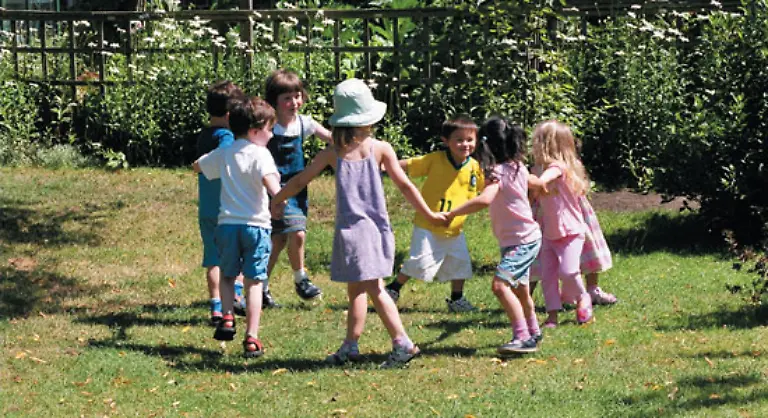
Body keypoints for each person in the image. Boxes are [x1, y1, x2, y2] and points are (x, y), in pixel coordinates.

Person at [270, 78, 443, 367]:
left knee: (374, 287)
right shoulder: (382, 148)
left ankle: (403, 343)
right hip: (376, 230)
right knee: (357, 290)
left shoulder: (332, 153)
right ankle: (350, 345)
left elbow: (300, 180)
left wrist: (277, 199)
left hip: (353, 232)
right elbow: (406, 186)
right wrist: (428, 212)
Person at [445, 116, 544, 354]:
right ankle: (534, 331)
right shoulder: (517, 167)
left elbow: (485, 200)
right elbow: (533, 182)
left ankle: (522, 337)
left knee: (500, 286)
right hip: (520, 239)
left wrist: (452, 213)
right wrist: (542, 185)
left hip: (522, 241)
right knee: (520, 290)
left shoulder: (497, 173)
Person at [193, 96, 282, 358]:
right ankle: (252, 337)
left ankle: (228, 316)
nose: (271, 135)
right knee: (254, 282)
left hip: (227, 226)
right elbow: (273, 186)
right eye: (269, 129)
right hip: (256, 227)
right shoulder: (262, 154)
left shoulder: (226, 152)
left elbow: (198, 166)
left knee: (227, 276)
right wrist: (280, 201)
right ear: (255, 131)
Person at [383, 115, 484, 312]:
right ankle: (393, 289)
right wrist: (384, 164)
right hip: (428, 224)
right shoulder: (436, 159)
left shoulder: (475, 167)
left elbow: (485, 188)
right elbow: (410, 164)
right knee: (420, 262)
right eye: (459, 140)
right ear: (446, 141)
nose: (465, 144)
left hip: (454, 228)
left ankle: (456, 299)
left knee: (460, 264)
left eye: (470, 139)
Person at [262, 69, 333, 308]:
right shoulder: (268, 128)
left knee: (279, 239)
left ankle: (261, 286)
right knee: (294, 234)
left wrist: (355, 143)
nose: (294, 102)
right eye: (287, 98)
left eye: (297, 96)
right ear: (274, 101)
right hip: (274, 190)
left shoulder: (304, 123)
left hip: (297, 191)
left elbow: (332, 139)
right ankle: (301, 279)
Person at [530, 120, 593, 328]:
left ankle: (583, 296)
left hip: (571, 232)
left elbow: (542, 181)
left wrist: (520, 176)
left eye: (538, 141)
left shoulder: (558, 168)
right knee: (547, 277)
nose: (534, 146)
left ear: (549, 145)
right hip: (549, 233)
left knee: (568, 272)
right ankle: (552, 316)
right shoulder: (538, 169)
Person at [194, 80, 247, 325]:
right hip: (227, 207)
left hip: (207, 207)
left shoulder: (204, 135)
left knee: (213, 259)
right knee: (238, 253)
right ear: (229, 115)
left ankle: (216, 306)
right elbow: (227, 155)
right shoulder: (227, 137)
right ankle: (235, 293)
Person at [529, 196, 617, 306]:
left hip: (572, 203)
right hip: (543, 205)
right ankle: (526, 295)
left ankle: (592, 289)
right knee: (536, 248)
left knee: (586, 243)